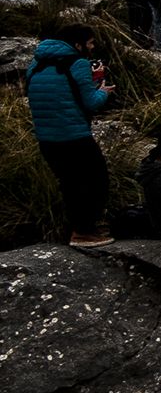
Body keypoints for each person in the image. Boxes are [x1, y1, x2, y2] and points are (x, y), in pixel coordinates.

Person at [27, 24, 117, 247]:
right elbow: (91, 102)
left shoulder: (36, 64)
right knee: (96, 181)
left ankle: (80, 228)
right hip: (74, 135)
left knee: (70, 184)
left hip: (47, 140)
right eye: (90, 42)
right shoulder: (77, 64)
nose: (92, 47)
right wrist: (102, 91)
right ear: (77, 44)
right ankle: (84, 232)